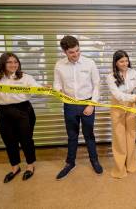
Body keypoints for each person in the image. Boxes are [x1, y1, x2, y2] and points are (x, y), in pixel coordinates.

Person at [54, 35, 103, 180]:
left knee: (89, 135)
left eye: (77, 51)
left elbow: (97, 85)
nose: (75, 54)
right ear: (64, 52)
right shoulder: (59, 65)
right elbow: (57, 84)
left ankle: (94, 160)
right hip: (69, 104)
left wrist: (91, 104)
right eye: (71, 52)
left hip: (87, 103)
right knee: (72, 136)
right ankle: (70, 163)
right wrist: (58, 91)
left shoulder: (90, 63)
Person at [0, 52, 38, 183]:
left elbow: (36, 90)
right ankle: (15, 167)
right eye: (9, 62)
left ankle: (30, 165)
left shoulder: (26, 77)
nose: (13, 64)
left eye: (15, 62)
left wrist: (44, 89)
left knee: (26, 140)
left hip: (23, 111)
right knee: (9, 141)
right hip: (4, 113)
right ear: (3, 64)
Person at [106, 50, 136, 178]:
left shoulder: (132, 72)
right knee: (119, 138)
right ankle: (119, 169)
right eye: (121, 61)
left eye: (126, 60)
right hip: (118, 106)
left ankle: (131, 165)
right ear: (116, 63)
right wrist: (134, 98)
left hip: (131, 106)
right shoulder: (111, 77)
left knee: (131, 136)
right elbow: (118, 95)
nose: (125, 63)